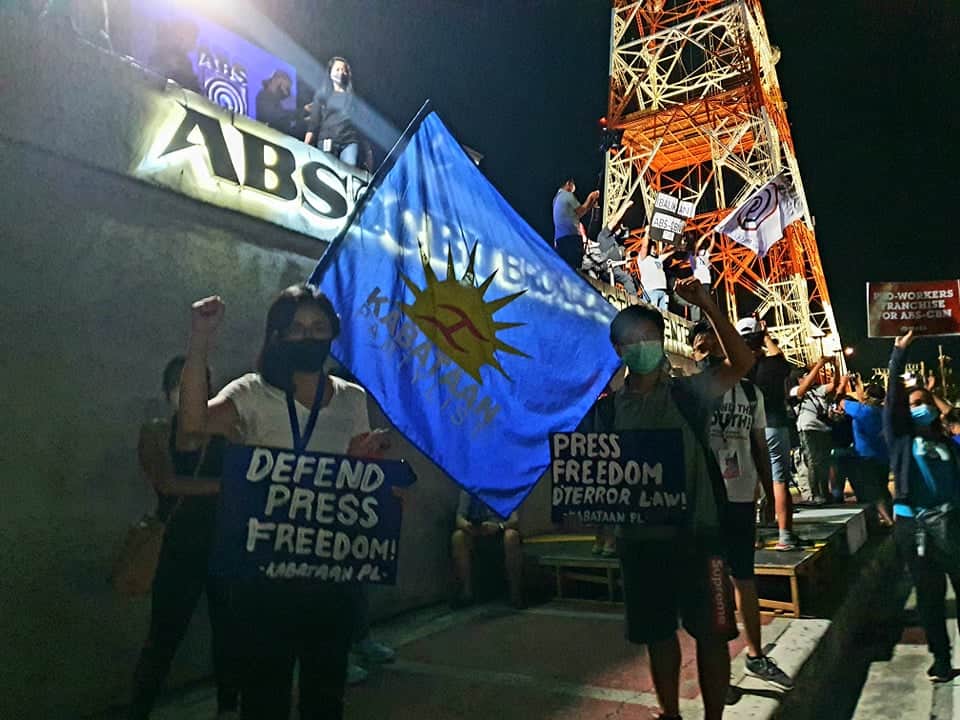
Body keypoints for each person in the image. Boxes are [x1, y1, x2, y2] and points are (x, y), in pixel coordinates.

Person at [178, 284, 389, 719]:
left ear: (333, 332)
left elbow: (354, 478)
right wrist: (200, 340)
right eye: (296, 328)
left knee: (325, 698)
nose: (307, 336)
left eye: (317, 327)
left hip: (329, 571)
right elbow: (193, 423)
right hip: (263, 577)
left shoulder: (352, 398)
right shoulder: (252, 391)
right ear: (278, 335)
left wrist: (364, 461)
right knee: (263, 699)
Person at [589, 277, 754, 720]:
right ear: (618, 349)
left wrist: (707, 304)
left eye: (650, 337)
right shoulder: (607, 410)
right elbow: (599, 474)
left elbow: (742, 362)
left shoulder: (688, 393)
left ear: (662, 342)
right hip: (640, 544)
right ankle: (670, 714)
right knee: (657, 637)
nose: (642, 346)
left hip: (702, 539)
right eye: (632, 340)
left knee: (713, 636)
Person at [129, 357, 239, 720]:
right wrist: (226, 486)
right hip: (177, 546)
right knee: (164, 635)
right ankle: (139, 710)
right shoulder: (157, 432)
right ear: (167, 392)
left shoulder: (227, 432)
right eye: (181, 384)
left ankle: (228, 707)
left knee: (229, 632)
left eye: (199, 383)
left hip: (223, 544)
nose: (190, 391)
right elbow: (167, 482)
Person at [690, 322, 794, 692]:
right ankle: (721, 673)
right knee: (714, 583)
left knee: (744, 578)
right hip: (706, 502)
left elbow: (759, 446)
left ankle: (755, 654)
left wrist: (765, 491)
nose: (708, 353)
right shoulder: (694, 391)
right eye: (701, 347)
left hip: (740, 499)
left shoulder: (750, 393)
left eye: (713, 345)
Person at [884, 331, 960, 683]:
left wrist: (934, 395)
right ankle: (941, 660)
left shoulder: (948, 441)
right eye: (914, 401)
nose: (919, 406)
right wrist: (898, 353)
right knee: (930, 597)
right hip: (914, 528)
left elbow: (953, 416)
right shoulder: (901, 439)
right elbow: (892, 402)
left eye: (923, 402)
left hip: (951, 522)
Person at [739, 318, 800, 550]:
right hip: (773, 424)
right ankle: (785, 536)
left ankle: (752, 536)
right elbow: (781, 360)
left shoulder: (738, 366)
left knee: (748, 482)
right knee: (779, 480)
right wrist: (765, 335)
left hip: (746, 427)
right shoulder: (770, 365)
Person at [836, 374, 893, 526]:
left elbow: (840, 400)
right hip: (884, 457)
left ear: (867, 396)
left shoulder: (860, 411)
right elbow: (865, 402)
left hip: (865, 458)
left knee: (871, 492)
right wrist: (858, 386)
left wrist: (844, 383)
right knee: (883, 488)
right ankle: (889, 518)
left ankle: (887, 520)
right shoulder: (885, 413)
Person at [451, 490, 524, 608]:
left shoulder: (504, 489)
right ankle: (466, 593)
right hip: (476, 533)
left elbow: (514, 520)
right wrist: (467, 526)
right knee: (458, 537)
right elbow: (459, 518)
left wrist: (499, 527)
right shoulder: (468, 489)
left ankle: (515, 594)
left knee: (511, 536)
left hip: (500, 532)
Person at [789, 356, 839, 505]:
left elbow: (834, 385)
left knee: (824, 462)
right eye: (805, 376)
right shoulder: (795, 391)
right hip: (807, 428)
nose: (809, 377)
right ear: (799, 379)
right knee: (814, 462)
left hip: (823, 429)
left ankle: (825, 492)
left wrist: (836, 367)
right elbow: (803, 388)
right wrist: (819, 365)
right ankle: (815, 493)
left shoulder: (818, 390)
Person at [304, 57, 368, 169]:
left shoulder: (354, 98)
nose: (341, 72)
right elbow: (314, 122)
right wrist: (305, 146)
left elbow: (361, 125)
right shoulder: (322, 95)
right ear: (330, 73)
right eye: (337, 69)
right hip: (327, 139)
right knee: (326, 172)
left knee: (347, 172)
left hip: (349, 142)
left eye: (344, 70)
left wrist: (368, 151)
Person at [552, 177, 599, 270]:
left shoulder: (556, 199)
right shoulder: (567, 195)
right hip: (571, 238)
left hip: (560, 240)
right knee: (575, 267)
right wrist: (590, 198)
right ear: (568, 183)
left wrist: (590, 204)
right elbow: (581, 211)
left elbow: (576, 214)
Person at [638, 237, 674, 311]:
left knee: (664, 315)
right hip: (651, 290)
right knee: (651, 313)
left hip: (663, 291)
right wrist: (647, 233)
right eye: (653, 249)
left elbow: (669, 253)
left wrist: (677, 248)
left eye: (655, 249)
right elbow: (644, 246)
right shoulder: (643, 258)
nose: (654, 251)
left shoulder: (658, 259)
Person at [255, 70, 296, 134]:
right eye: (285, 86)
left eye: (287, 88)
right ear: (276, 80)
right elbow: (272, 116)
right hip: (264, 133)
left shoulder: (278, 100)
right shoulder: (264, 95)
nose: (286, 90)